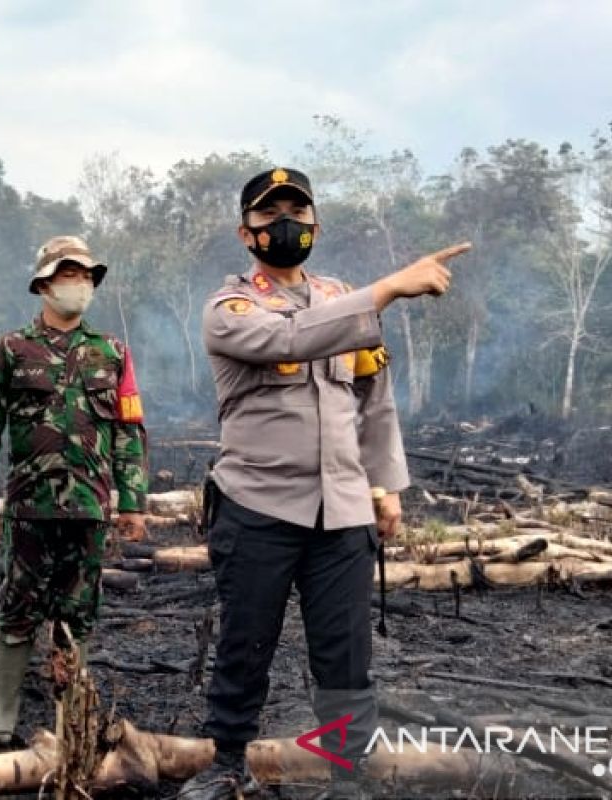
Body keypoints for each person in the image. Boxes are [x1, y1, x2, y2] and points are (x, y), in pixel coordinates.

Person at [179, 168, 471, 800]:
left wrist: (385, 487)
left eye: (297, 213)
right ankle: (226, 761)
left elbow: (373, 398)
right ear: (246, 232)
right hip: (257, 503)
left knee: (345, 653)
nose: (286, 225)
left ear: (315, 226)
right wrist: (389, 287)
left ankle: (348, 771)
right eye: (270, 216)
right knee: (245, 641)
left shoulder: (341, 297)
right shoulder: (231, 307)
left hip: (342, 510)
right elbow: (290, 337)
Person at [0, 235, 149, 746]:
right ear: (44, 283)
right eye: (69, 274)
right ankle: (4, 714)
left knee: (77, 612)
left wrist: (132, 501)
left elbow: (128, 430)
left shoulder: (111, 352)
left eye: (86, 276)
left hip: (90, 506)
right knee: (18, 607)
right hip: (28, 505)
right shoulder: (10, 350)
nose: (79, 284)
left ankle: (70, 716)